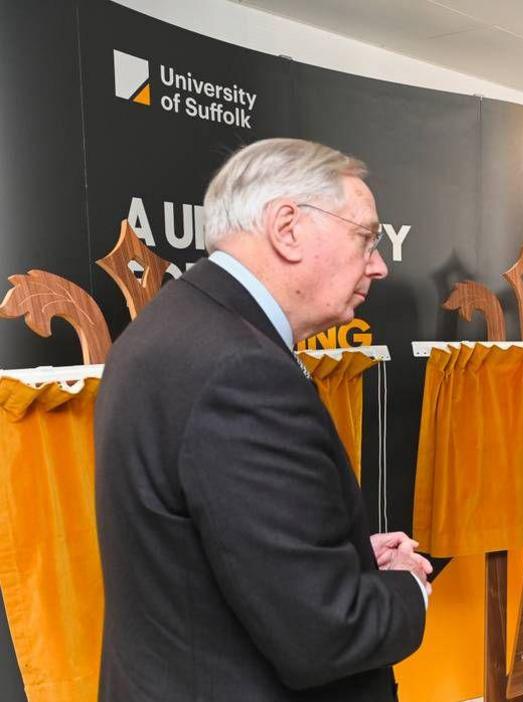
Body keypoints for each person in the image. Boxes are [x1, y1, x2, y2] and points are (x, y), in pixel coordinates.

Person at [94, 139, 429, 700]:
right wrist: (407, 588)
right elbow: (324, 635)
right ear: (287, 227)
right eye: (366, 236)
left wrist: (335, 560)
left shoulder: (173, 325)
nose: (379, 263)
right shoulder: (241, 369)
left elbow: (215, 547)